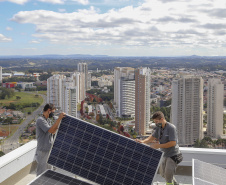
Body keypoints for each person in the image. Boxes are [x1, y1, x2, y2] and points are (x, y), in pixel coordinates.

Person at [136, 111, 182, 185]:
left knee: (168, 176)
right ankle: (176, 184)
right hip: (165, 154)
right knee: (163, 173)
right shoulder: (159, 127)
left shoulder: (171, 128)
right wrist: (143, 141)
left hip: (173, 155)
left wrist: (158, 146)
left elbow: (173, 143)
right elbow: (152, 137)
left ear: (162, 119)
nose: (156, 123)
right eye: (155, 122)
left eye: (157, 121)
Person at [35, 103, 65, 176]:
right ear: (49, 110)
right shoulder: (40, 120)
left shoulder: (47, 120)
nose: (53, 114)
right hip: (43, 150)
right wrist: (59, 119)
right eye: (53, 112)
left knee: (49, 171)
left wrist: (58, 122)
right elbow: (51, 130)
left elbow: (53, 131)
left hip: (48, 149)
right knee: (41, 172)